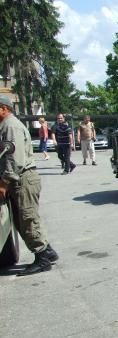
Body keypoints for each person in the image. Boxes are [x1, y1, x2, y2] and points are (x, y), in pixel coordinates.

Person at [0, 95, 59, 275]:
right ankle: (47, 251)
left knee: (27, 219)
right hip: (19, 179)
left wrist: (3, 184)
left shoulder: (10, 126)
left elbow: (14, 160)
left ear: (3, 108)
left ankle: (42, 258)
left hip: (22, 178)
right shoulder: (7, 125)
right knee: (22, 219)